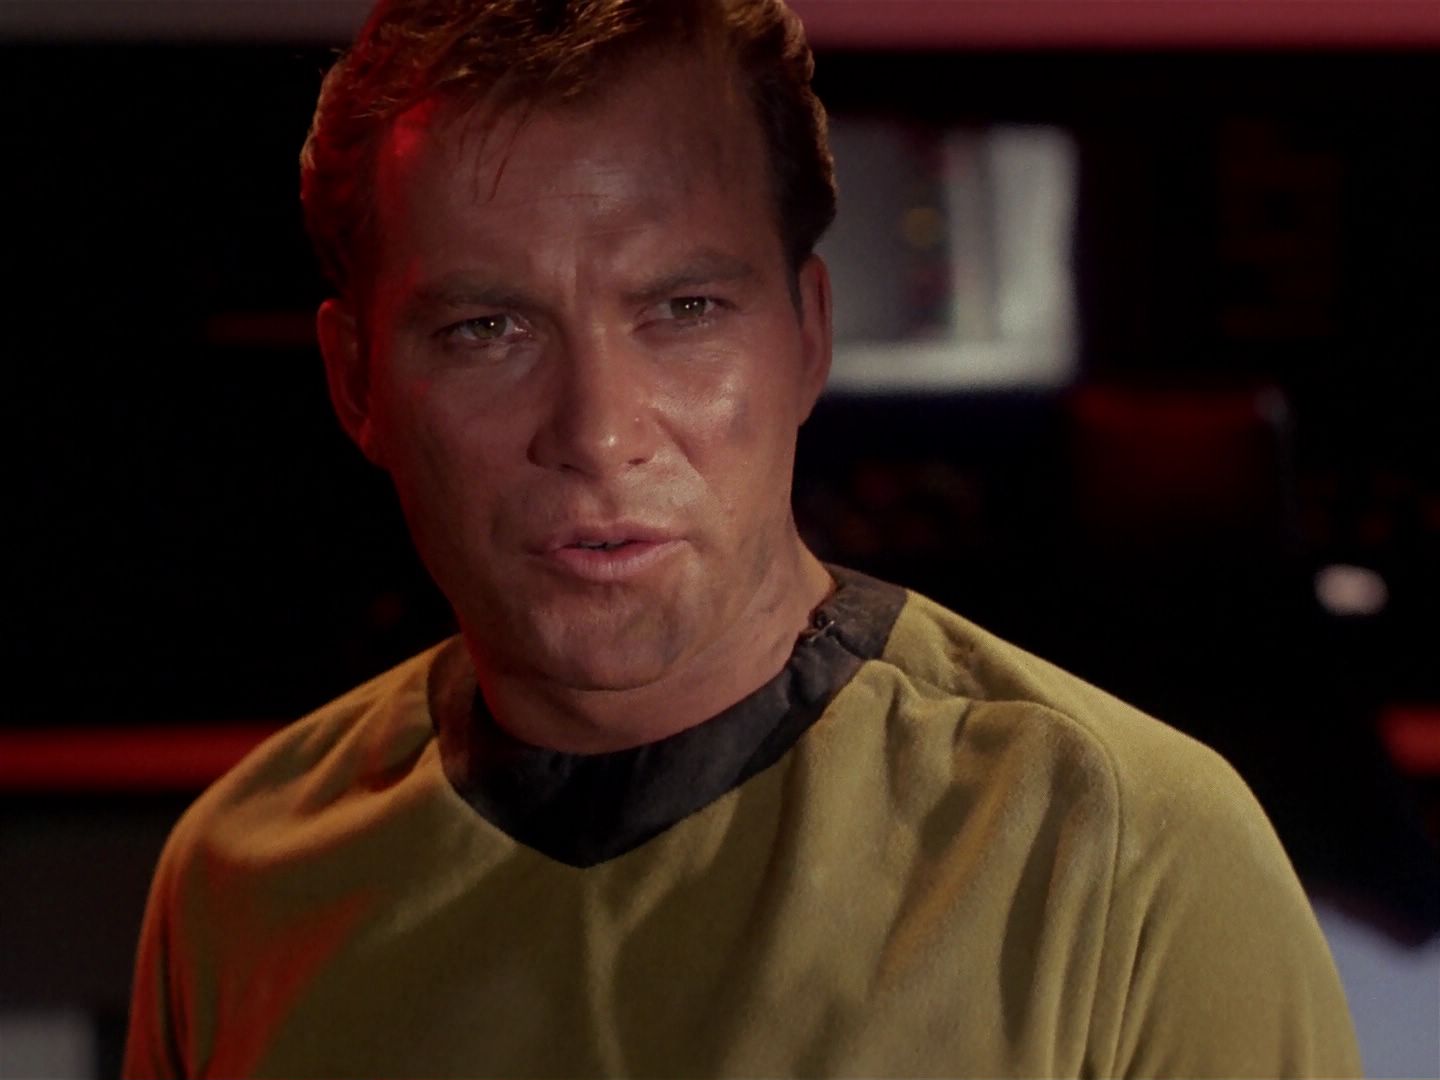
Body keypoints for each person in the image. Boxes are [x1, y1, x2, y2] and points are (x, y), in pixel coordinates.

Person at [123, 1, 1361, 1076]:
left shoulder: (1120, 848)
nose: (600, 433)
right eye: (487, 329)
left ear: (806, 338)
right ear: (355, 381)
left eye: (684, 309)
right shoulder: (242, 880)